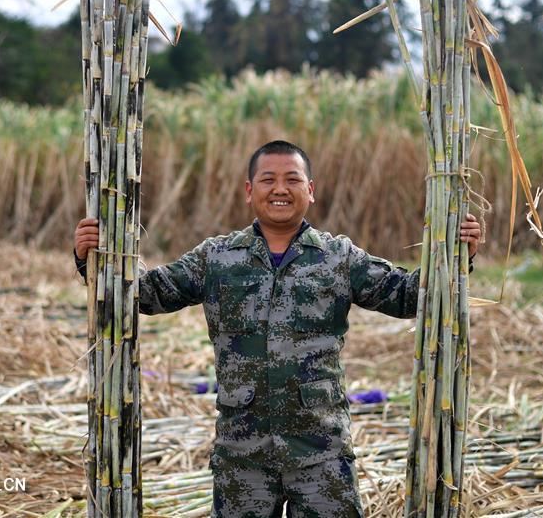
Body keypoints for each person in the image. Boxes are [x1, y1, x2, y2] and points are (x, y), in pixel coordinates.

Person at [73, 140, 482, 517]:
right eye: (268, 180)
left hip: (321, 451)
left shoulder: (337, 257)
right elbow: (145, 294)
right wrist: (94, 256)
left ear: (311, 190)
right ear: (249, 191)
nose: (280, 189)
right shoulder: (217, 258)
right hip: (242, 454)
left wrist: (455, 251)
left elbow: (408, 296)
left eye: (292, 180)